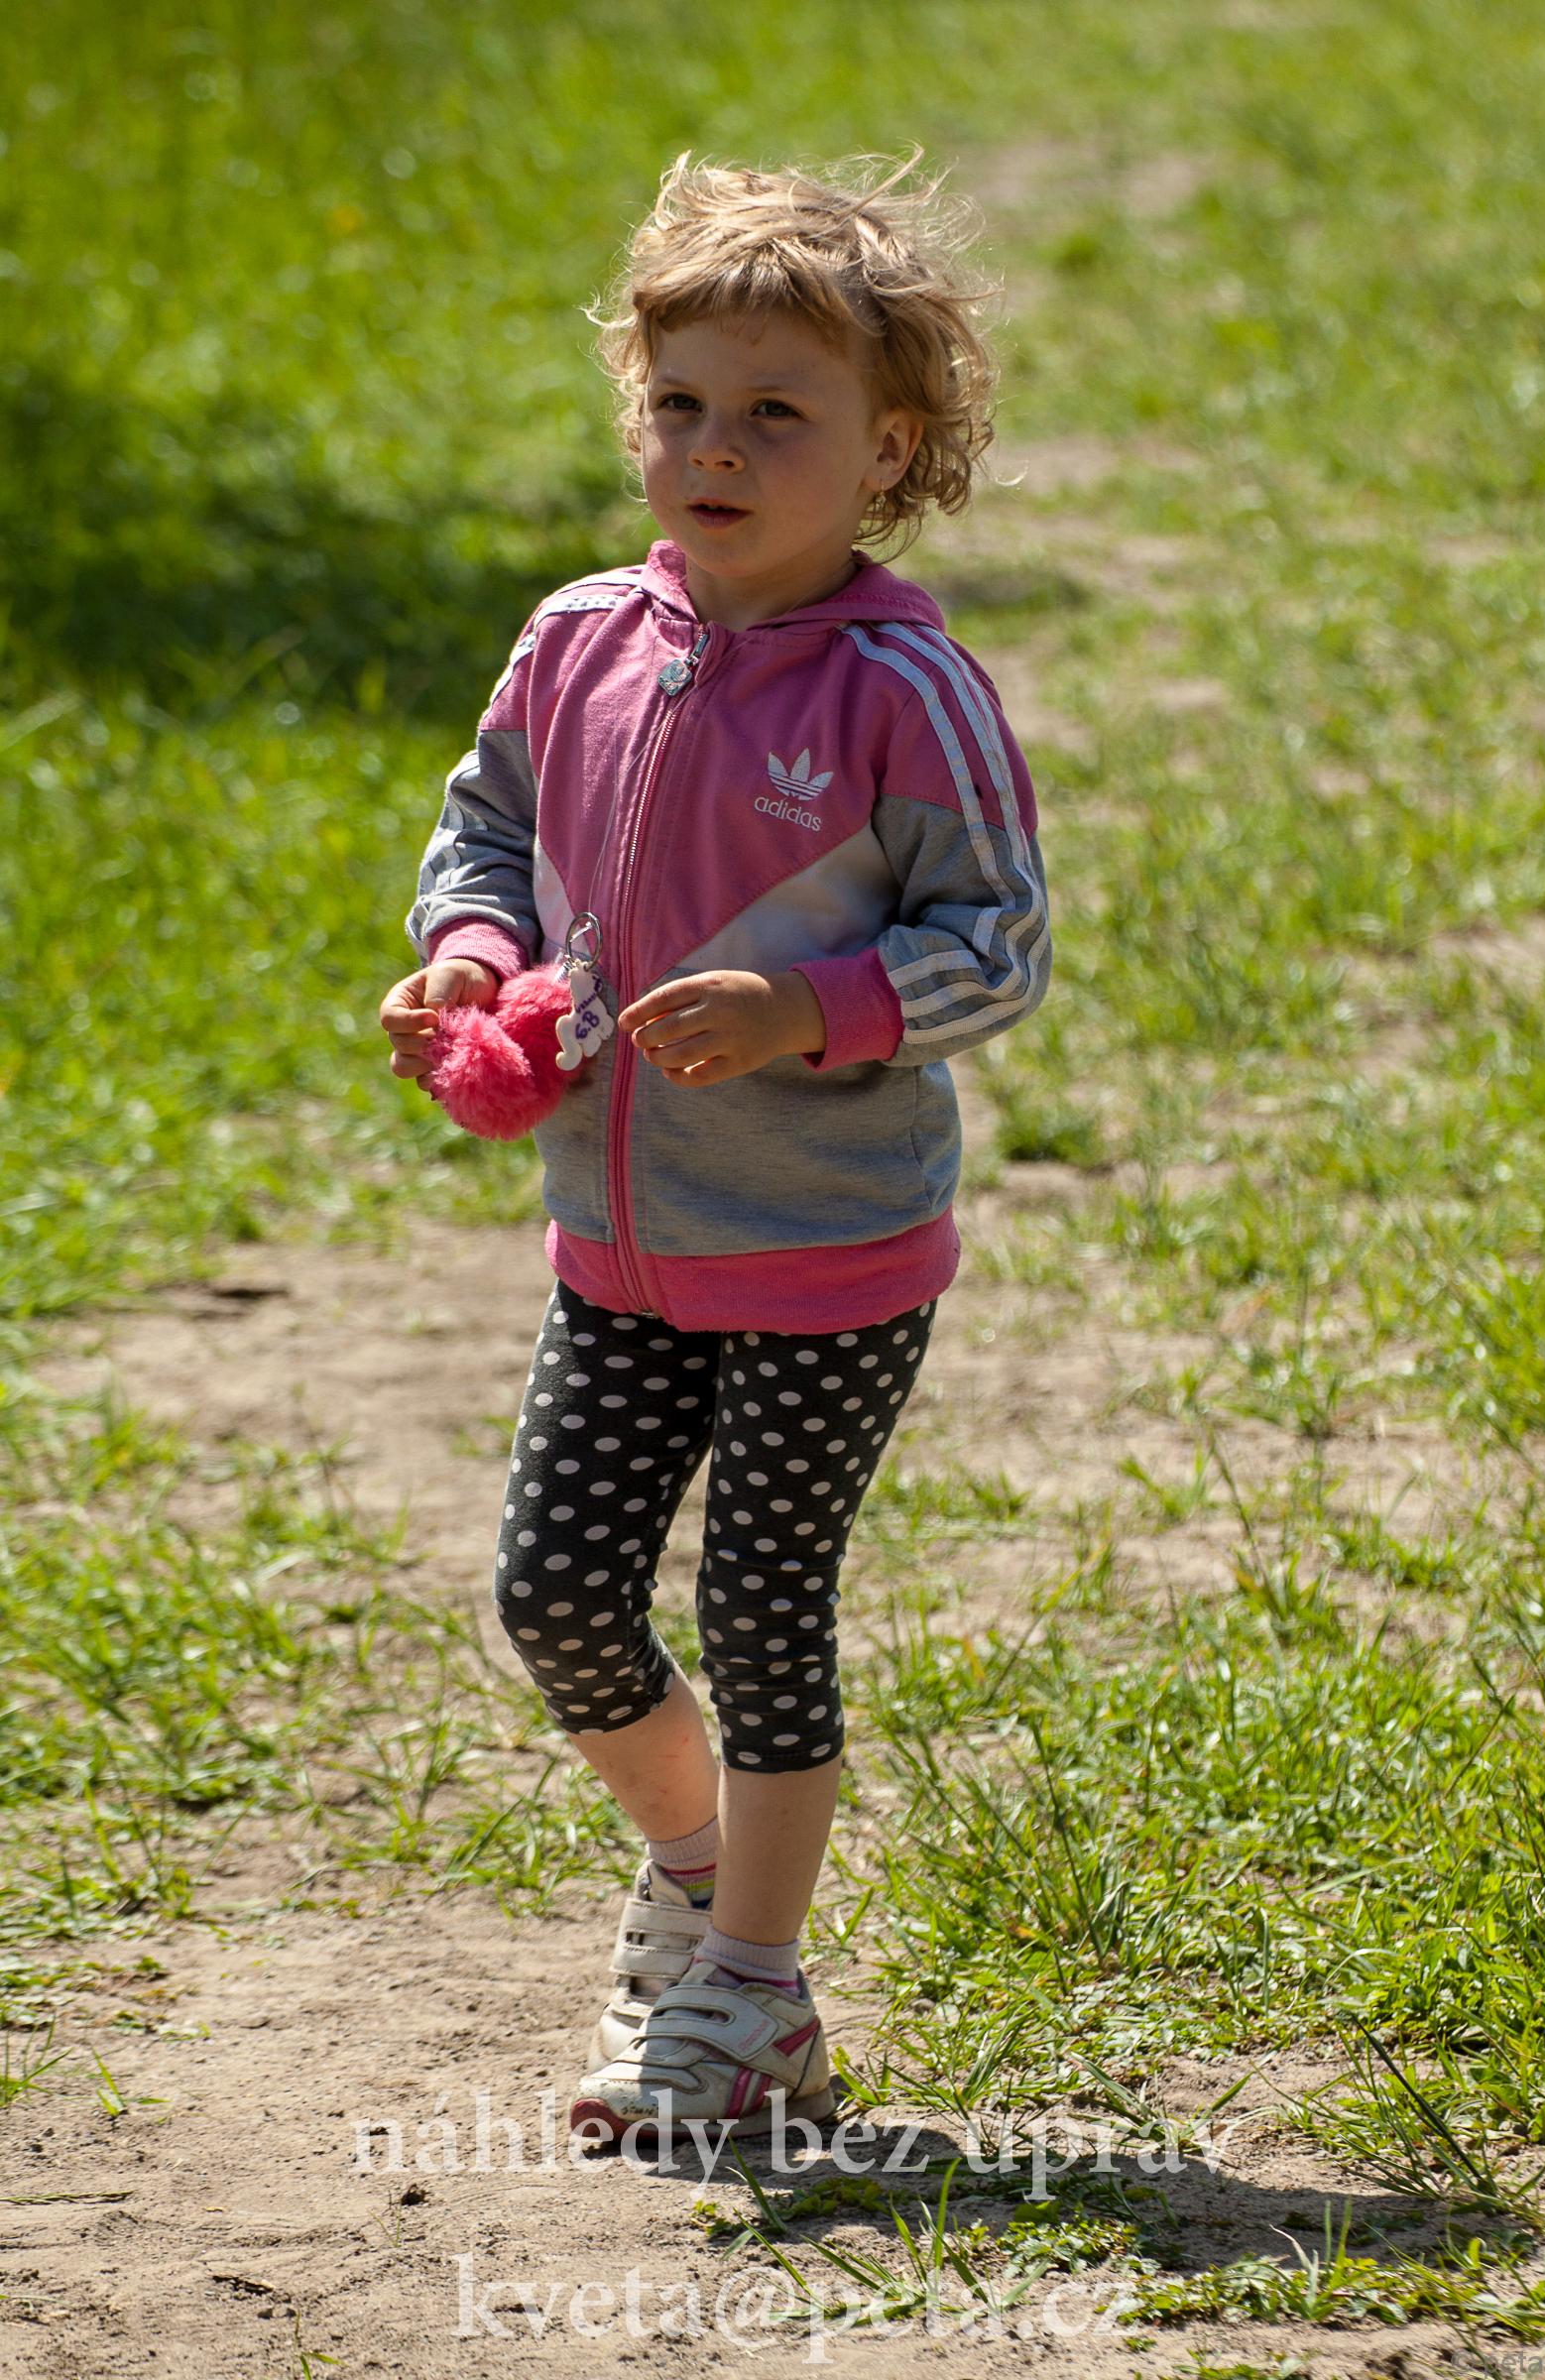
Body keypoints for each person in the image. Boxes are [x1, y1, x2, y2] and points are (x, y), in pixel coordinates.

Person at [377, 148, 1051, 2147]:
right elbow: (487, 824)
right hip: (619, 1243)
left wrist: (809, 1008)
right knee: (558, 1595)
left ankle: (752, 1998)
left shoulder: (901, 686)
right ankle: (693, 1894)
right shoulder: (578, 636)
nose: (716, 447)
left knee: (762, 1606)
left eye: (776, 412)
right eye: (679, 403)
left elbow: (997, 941)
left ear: (888, 450)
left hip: (828, 1249)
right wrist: (470, 948)